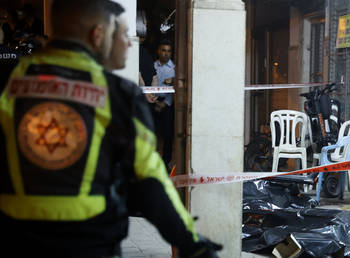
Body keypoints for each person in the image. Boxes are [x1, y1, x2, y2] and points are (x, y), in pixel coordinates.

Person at [0, 1, 221, 257]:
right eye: (121, 34)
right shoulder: (119, 95)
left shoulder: (9, 83)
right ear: (97, 35)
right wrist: (190, 242)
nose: (128, 43)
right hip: (91, 246)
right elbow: (149, 181)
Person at [146, 39, 175, 169]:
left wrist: (165, 103)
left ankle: (165, 163)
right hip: (152, 102)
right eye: (163, 50)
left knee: (167, 135)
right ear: (158, 51)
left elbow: (175, 91)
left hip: (167, 105)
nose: (166, 54)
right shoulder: (151, 65)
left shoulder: (174, 69)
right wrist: (154, 101)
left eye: (168, 51)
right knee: (151, 133)